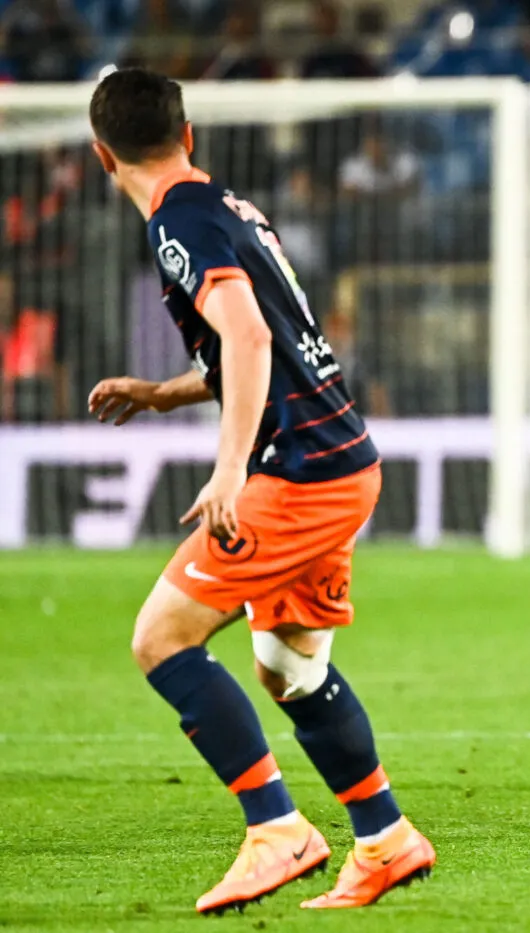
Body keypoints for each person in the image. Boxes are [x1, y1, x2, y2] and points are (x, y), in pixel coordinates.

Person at [84, 68, 434, 913]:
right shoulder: (232, 208)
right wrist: (165, 392)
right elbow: (268, 340)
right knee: (287, 666)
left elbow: (245, 336)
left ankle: (276, 828)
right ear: (189, 134)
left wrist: (231, 468)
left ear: (103, 157)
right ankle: (385, 839)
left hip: (299, 472)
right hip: (343, 456)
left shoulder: (178, 221)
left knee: (162, 638)